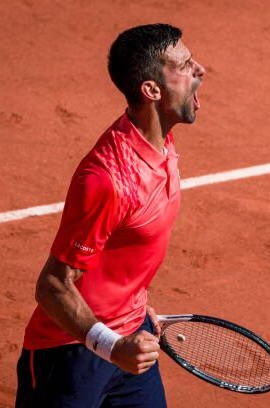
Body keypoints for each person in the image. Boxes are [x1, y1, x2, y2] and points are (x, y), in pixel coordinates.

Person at [15, 23, 205, 407]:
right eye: (184, 66)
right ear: (151, 91)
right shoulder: (107, 180)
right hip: (69, 355)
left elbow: (123, 253)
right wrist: (111, 344)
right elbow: (53, 285)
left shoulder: (162, 141)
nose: (198, 70)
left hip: (134, 339)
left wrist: (132, 304)